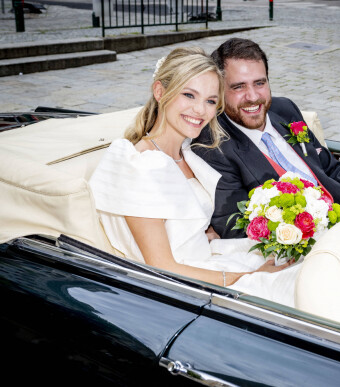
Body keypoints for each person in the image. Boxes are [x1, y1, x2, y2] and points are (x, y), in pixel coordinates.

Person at [89, 47, 300, 307]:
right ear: (160, 92)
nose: (200, 110)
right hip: (185, 289)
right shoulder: (140, 165)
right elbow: (162, 266)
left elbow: (185, 223)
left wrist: (205, 234)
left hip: (211, 261)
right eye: (189, 95)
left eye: (211, 101)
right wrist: (248, 277)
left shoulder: (188, 155)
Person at [193, 38, 340, 239]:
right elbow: (233, 224)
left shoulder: (284, 109)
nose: (253, 96)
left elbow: (331, 168)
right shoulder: (214, 147)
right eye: (238, 87)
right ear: (219, 91)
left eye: (259, 83)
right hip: (322, 240)